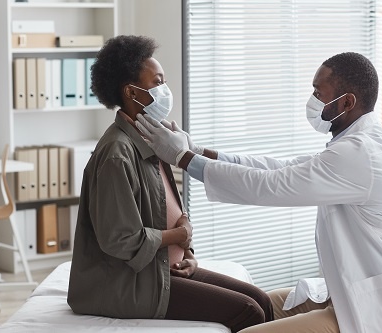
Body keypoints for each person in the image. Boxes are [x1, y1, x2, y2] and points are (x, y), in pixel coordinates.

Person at [135, 52, 382, 333]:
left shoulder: (361, 153)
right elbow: (278, 168)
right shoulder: (355, 143)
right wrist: (198, 150)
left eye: (318, 93)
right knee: (255, 308)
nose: (312, 100)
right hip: (352, 291)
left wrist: (183, 159)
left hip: (381, 310)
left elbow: (273, 186)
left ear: (347, 102)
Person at [67, 35, 273, 333]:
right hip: (131, 285)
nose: (165, 90)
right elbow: (120, 239)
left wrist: (188, 253)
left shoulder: (155, 140)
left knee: (262, 301)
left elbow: (170, 208)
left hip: (164, 269)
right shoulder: (117, 154)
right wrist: (179, 233)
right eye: (158, 82)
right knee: (249, 312)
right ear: (131, 92)